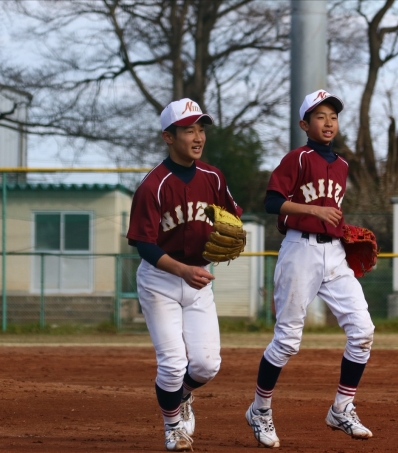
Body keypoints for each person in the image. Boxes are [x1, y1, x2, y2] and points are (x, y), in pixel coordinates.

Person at [245, 90, 375, 448]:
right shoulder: (297, 158)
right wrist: (313, 211)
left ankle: (342, 408)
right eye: (320, 116)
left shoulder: (343, 165)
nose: (328, 122)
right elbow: (272, 202)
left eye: (333, 116)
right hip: (299, 251)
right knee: (287, 341)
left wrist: (342, 231)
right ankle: (259, 410)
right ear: (305, 124)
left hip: (334, 254)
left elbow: (332, 211)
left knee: (363, 331)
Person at [127, 98, 242, 452]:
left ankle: (183, 395)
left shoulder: (213, 177)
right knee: (173, 364)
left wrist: (233, 231)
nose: (198, 137)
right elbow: (143, 243)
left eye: (201, 129)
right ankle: (173, 427)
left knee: (206, 366)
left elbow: (232, 216)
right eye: (189, 130)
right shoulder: (153, 186)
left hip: (198, 278)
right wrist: (182, 270)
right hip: (159, 279)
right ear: (168, 136)